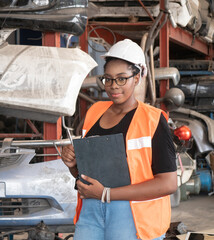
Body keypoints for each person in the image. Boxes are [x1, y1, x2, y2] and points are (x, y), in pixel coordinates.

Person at [61, 39, 177, 240]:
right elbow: (88, 173)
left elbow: (168, 184)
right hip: (91, 210)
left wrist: (106, 194)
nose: (113, 86)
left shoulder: (153, 120)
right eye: (108, 79)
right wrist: (73, 166)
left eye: (122, 79)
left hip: (132, 215)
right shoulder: (94, 112)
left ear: (137, 77)